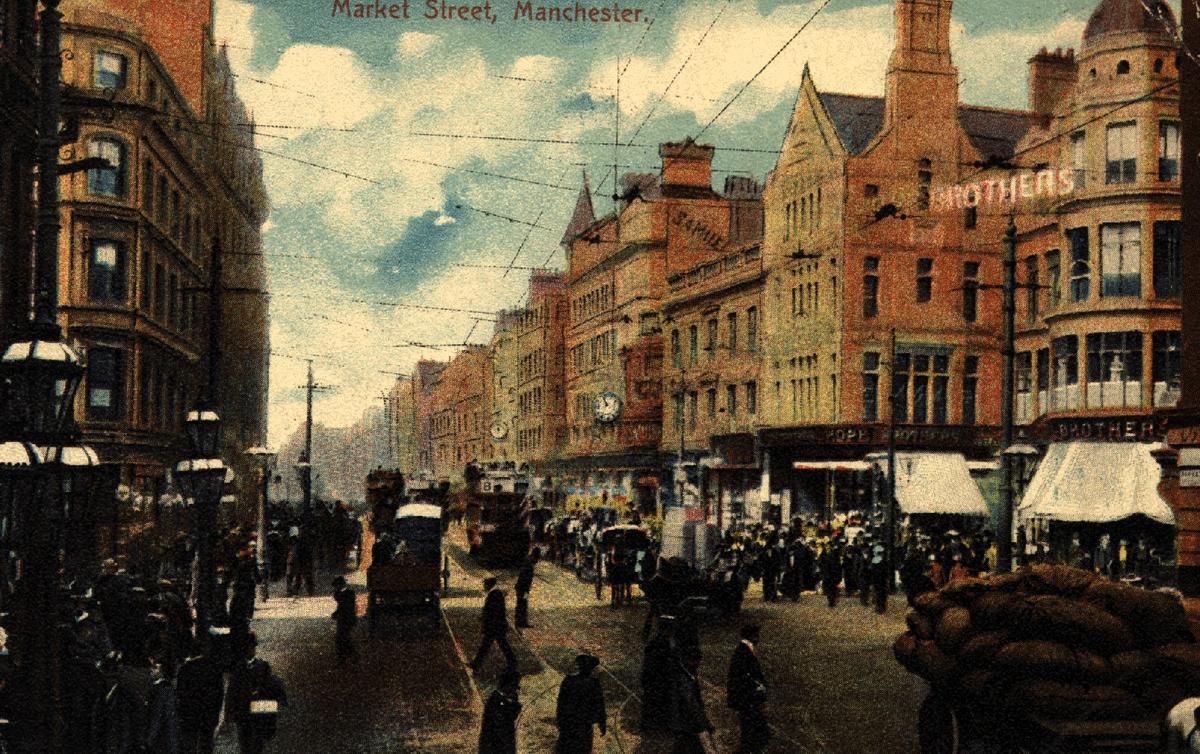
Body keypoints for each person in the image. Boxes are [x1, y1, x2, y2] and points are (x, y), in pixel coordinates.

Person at [226, 632, 287, 754]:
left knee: (257, 741)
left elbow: (271, 686)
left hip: (256, 710)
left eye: (252, 647)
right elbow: (232, 692)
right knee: (246, 741)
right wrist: (229, 713)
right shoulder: (238, 668)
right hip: (244, 710)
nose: (251, 650)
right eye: (249, 648)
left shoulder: (262, 666)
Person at [726, 624, 769, 754]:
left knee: (751, 730)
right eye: (757, 635)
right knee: (753, 731)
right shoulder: (744, 652)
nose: (758, 638)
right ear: (751, 636)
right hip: (747, 700)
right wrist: (758, 687)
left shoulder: (743, 650)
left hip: (746, 699)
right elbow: (743, 677)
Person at [176, 644, 225, 754]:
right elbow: (219, 694)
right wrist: (216, 713)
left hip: (190, 714)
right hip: (208, 714)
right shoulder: (214, 668)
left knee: (189, 745)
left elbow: (180, 694)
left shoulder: (185, 669)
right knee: (206, 745)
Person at [555, 654, 607, 753]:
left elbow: (561, 703)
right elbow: (599, 705)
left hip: (570, 724)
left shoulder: (569, 681)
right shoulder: (593, 684)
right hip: (582, 725)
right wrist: (602, 723)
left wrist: (560, 721)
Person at [669, 646, 715, 754]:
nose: (699, 665)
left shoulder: (689, 674)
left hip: (687, 724)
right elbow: (691, 703)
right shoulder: (684, 678)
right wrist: (703, 724)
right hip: (687, 725)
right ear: (691, 661)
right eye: (697, 662)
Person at [471, 577, 517, 671]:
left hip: (495, 625)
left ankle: (476, 664)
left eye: (485, 584)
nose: (484, 586)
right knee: (494, 645)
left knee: (490, 645)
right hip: (496, 625)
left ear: (489, 584)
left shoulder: (494, 594)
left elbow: (493, 611)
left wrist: (484, 619)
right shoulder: (495, 593)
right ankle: (476, 664)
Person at [641, 615, 677, 731]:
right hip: (658, 679)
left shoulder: (662, 641)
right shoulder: (659, 643)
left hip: (658, 679)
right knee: (657, 701)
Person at [479, 668, 522, 754]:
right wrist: (514, 707)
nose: (515, 690)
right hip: (494, 747)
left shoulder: (506, 699)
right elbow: (501, 722)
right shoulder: (495, 700)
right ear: (506, 685)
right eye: (513, 686)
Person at [144, 658, 180, 753]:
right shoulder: (167, 688)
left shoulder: (162, 690)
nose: (151, 669)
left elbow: (157, 715)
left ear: (163, 672)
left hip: (160, 739)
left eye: (155, 668)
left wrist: (149, 739)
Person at [331, 575, 358, 665]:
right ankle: (348, 656)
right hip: (345, 619)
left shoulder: (347, 594)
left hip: (346, 619)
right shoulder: (348, 593)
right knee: (343, 638)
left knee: (341, 639)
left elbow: (342, 604)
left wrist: (337, 613)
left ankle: (347, 657)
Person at [514, 548, 540, 629]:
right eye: (537, 559)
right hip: (523, 588)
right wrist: (526, 591)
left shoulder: (527, 561)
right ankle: (521, 622)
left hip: (521, 588)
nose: (537, 561)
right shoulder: (529, 564)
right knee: (523, 604)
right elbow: (525, 578)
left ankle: (520, 621)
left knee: (521, 604)